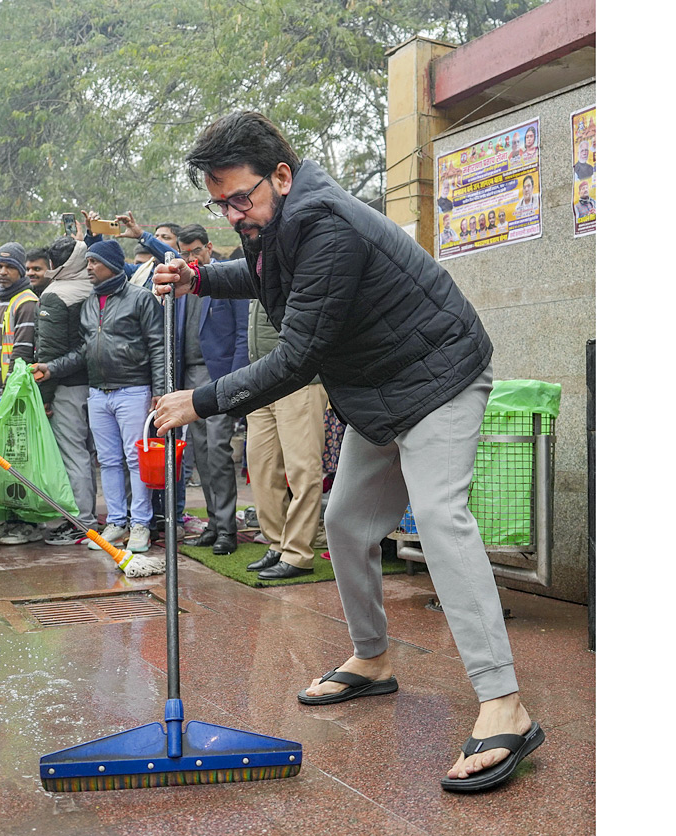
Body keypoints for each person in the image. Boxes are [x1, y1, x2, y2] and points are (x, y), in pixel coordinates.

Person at [150, 110, 540, 792]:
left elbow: (298, 356)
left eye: (241, 199)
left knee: (442, 520)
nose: (233, 215)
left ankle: (505, 702)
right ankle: (373, 659)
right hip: (381, 388)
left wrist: (200, 401)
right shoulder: (279, 223)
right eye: (220, 204)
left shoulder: (326, 223)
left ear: (280, 173)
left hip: (439, 375)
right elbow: (263, 274)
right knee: (347, 524)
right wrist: (201, 279)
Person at [32, 238, 165, 555]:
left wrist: (159, 391)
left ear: (114, 265)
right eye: (88, 261)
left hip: (134, 388)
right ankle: (117, 521)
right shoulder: (91, 303)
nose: (89, 267)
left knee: (135, 460)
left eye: (96, 262)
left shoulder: (140, 299)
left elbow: (159, 347)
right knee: (107, 461)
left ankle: (141, 524)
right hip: (98, 392)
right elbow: (84, 351)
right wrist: (52, 368)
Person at [173, 224, 250, 555]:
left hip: (217, 377)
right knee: (201, 453)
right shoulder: (179, 287)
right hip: (188, 377)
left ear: (209, 248)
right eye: (185, 252)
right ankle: (215, 523)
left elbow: (243, 334)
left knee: (219, 451)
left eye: (196, 251)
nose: (191, 258)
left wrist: (235, 382)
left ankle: (227, 529)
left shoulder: (225, 278)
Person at [241, 301, 328, 579]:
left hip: (300, 378)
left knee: (303, 470)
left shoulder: (297, 259)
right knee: (262, 468)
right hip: (261, 377)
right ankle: (278, 543)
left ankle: (298, 553)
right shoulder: (257, 261)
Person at [34, 235, 101, 545]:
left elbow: (47, 353)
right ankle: (100, 518)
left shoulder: (54, 295)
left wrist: (45, 399)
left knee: (73, 455)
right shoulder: (95, 289)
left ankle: (81, 522)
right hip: (98, 384)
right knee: (92, 455)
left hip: (66, 387)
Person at [0, 242, 42, 546]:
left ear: (20, 269)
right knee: (2, 461)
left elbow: (21, 354)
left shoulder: (26, 301)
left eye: (9, 267)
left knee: (19, 461)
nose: (2, 272)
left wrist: (9, 396)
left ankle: (26, 524)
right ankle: (7, 519)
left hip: (13, 397)